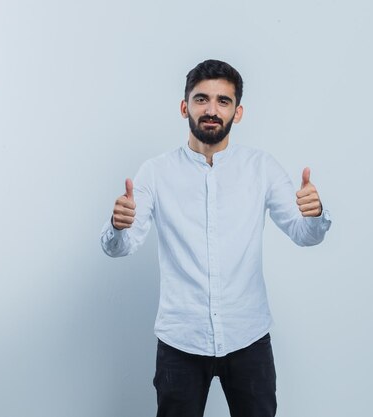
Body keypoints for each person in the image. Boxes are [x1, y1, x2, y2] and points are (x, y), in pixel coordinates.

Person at [100, 59, 331, 417]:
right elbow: (121, 247)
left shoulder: (261, 167)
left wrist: (314, 214)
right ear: (184, 107)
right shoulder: (156, 172)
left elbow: (304, 235)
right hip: (181, 342)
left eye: (223, 101)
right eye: (201, 98)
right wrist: (118, 226)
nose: (211, 110)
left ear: (237, 112)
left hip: (248, 338)